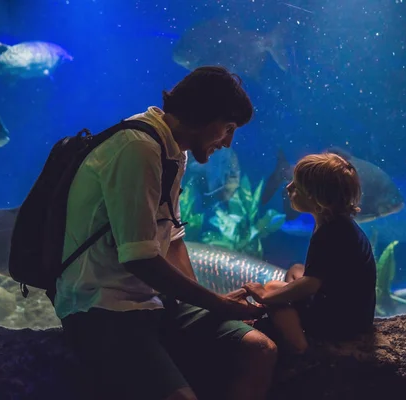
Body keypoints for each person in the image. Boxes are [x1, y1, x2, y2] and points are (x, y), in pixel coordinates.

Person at [56, 66, 277, 400]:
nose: (229, 141)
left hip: (153, 303)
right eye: (228, 128)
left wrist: (208, 307)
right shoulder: (138, 148)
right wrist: (215, 301)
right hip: (104, 308)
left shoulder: (173, 150)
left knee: (259, 350)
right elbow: (140, 259)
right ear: (203, 114)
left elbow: (172, 240)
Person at [243, 151, 377, 354]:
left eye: (296, 186)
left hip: (342, 323)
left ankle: (302, 347)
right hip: (356, 313)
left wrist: (264, 297)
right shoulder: (337, 224)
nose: (288, 187)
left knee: (270, 290)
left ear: (317, 200)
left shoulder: (331, 233)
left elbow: (311, 284)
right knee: (295, 270)